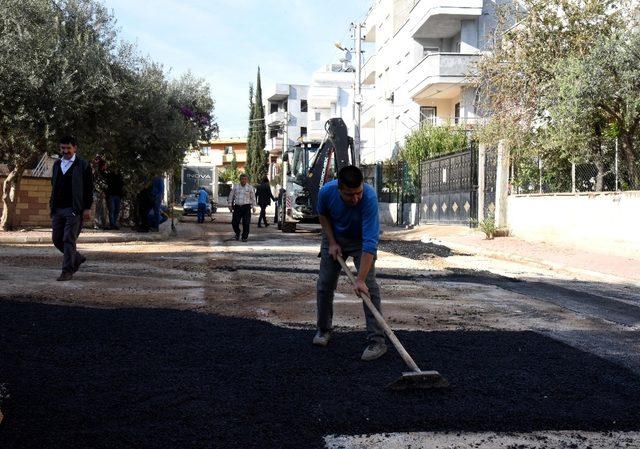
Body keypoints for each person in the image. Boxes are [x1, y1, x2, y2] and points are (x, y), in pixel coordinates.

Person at [312, 165, 387, 361]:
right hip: (335, 237)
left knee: (369, 287)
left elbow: (370, 243)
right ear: (339, 188)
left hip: (361, 241)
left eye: (358, 193)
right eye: (349, 194)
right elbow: (322, 215)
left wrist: (360, 280)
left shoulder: (369, 198)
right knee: (325, 284)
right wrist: (332, 241)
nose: (355, 199)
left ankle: (377, 341)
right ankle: (323, 330)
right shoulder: (326, 192)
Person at [49, 136, 94, 282]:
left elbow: (88, 188)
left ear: (75, 148)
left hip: (74, 209)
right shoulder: (56, 164)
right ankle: (77, 258)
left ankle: (67, 271)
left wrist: (87, 208)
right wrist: (52, 206)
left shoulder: (83, 165)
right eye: (62, 148)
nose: (65, 151)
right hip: (58, 209)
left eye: (68, 148)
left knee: (68, 239)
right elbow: (53, 185)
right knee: (57, 240)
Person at [227, 173, 256, 242]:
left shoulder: (250, 187)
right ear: (240, 179)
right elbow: (231, 196)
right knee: (234, 222)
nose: (244, 180)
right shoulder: (236, 187)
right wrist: (230, 205)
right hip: (237, 207)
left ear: (247, 180)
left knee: (246, 223)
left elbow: (253, 198)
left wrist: (254, 206)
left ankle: (244, 237)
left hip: (246, 207)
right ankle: (237, 232)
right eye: (242, 179)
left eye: (245, 179)